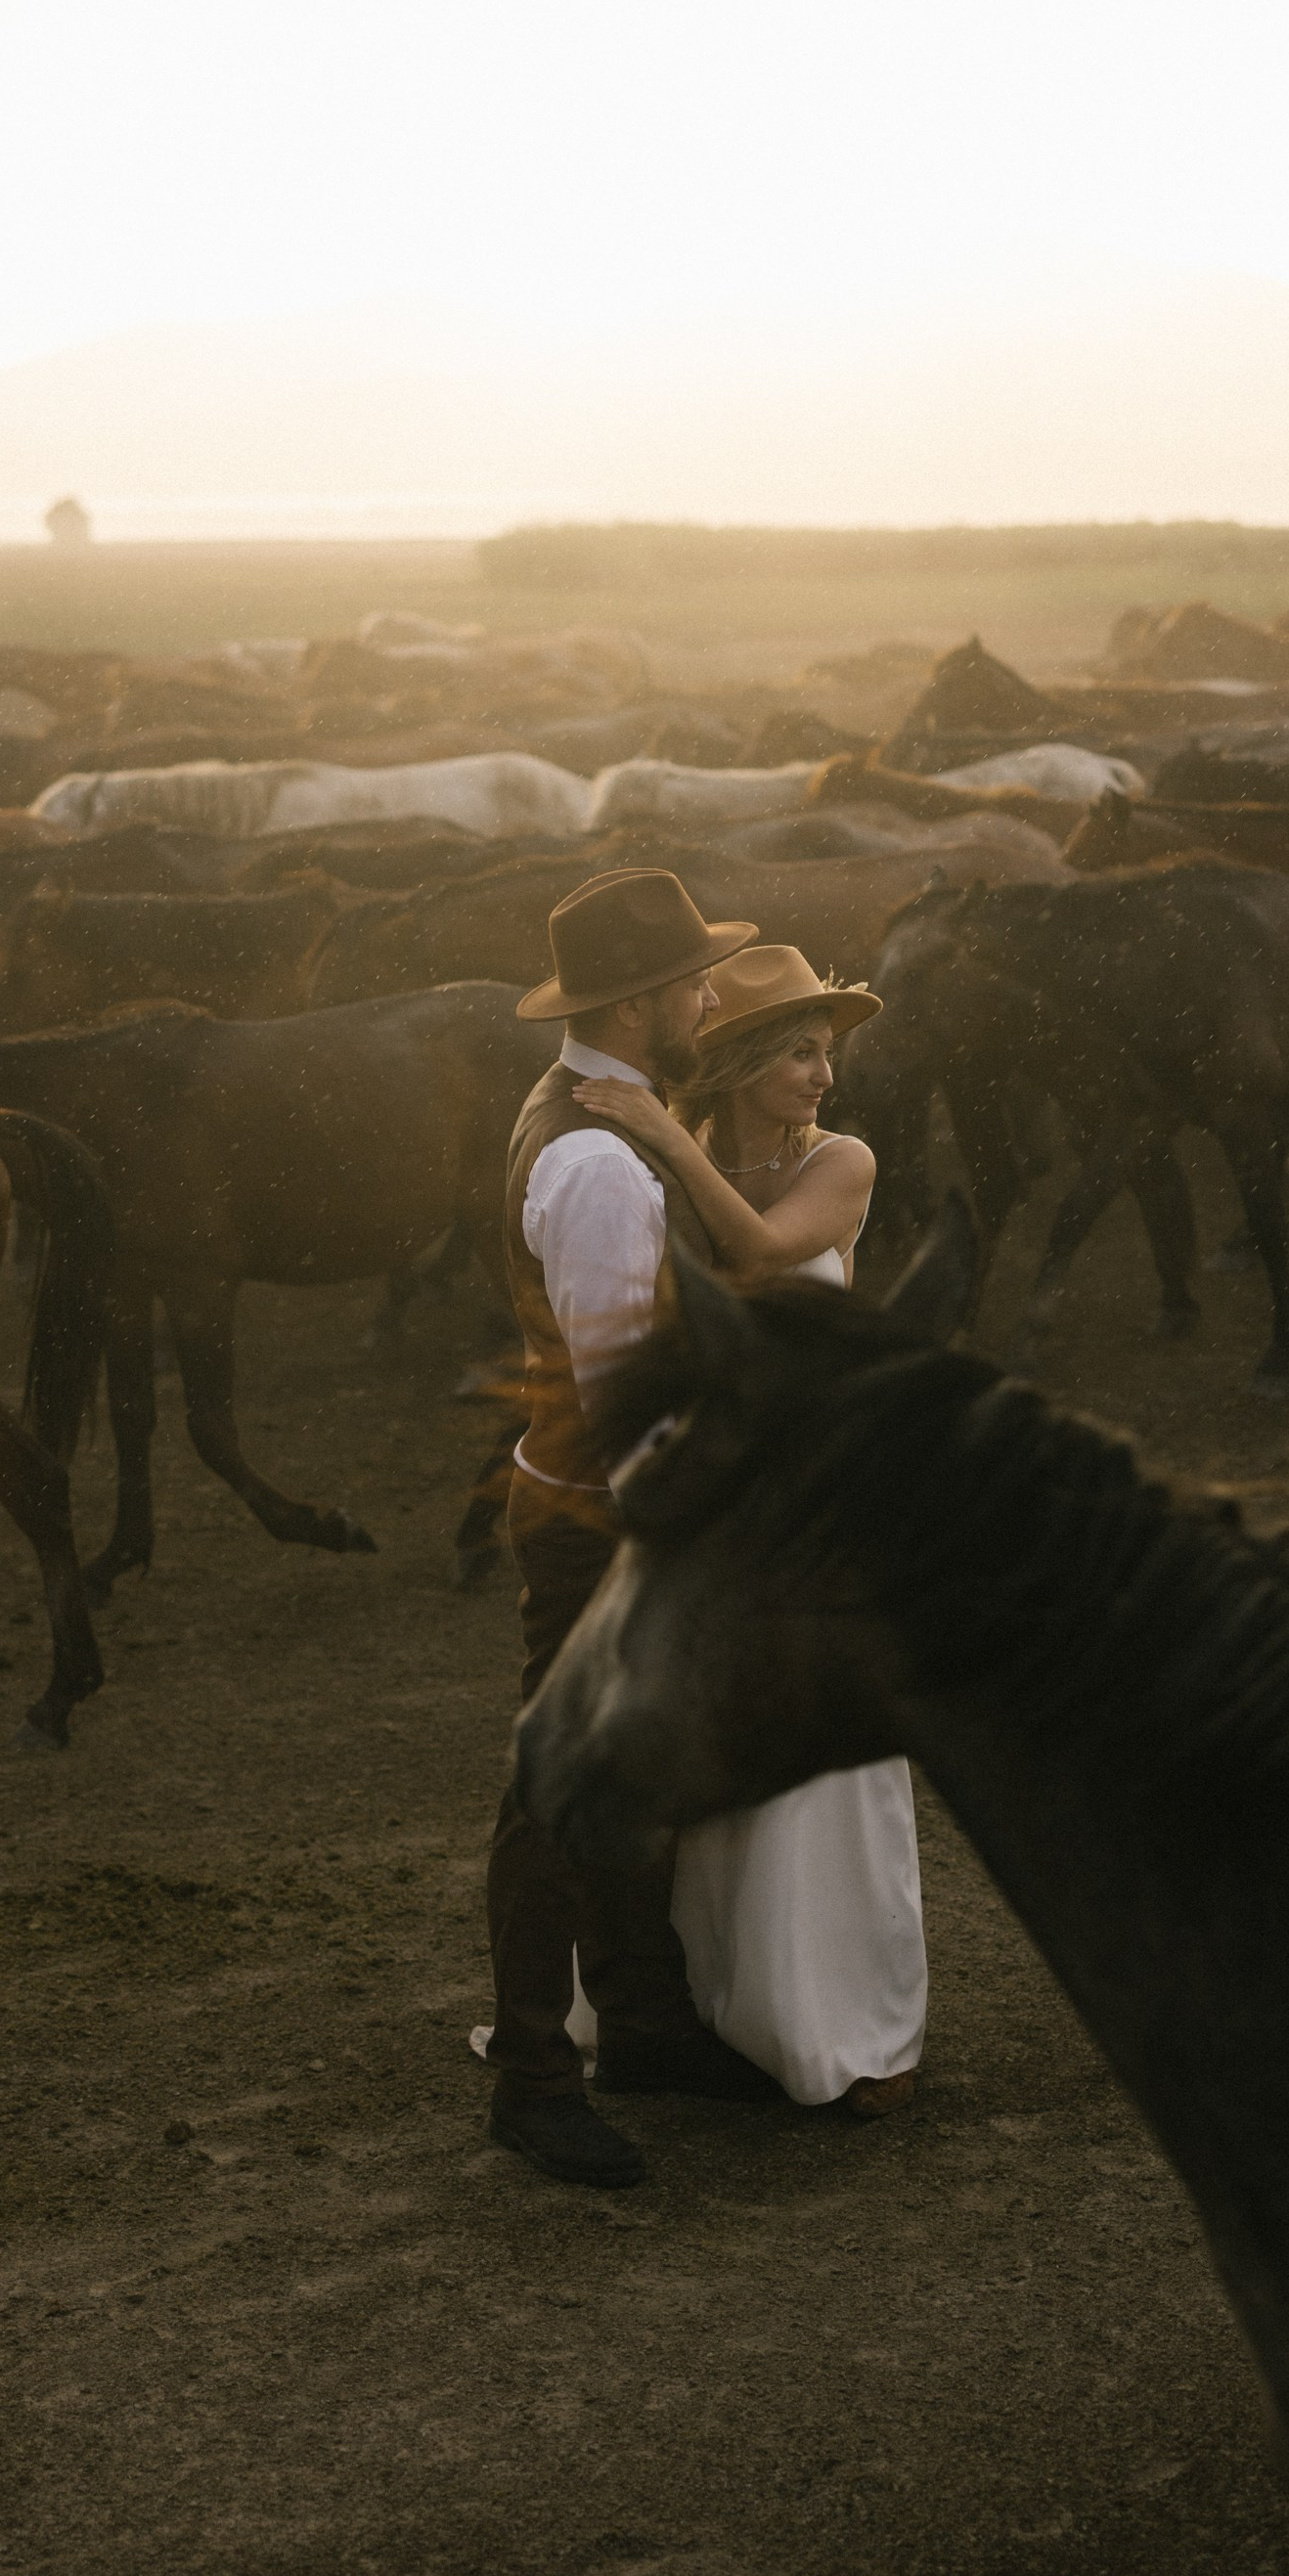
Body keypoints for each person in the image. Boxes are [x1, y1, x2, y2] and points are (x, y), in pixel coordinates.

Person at [570, 940, 928, 2117]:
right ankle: (726, 2009)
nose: (825, 1073)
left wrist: (668, 1137)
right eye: (800, 1053)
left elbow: (766, 1253)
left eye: (827, 1052)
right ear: (739, 1062)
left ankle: (850, 2024)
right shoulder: (671, 1160)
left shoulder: (841, 1160)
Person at [484, 866, 789, 2191]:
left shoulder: (585, 1114)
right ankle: (533, 2077)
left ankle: (644, 2021)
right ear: (635, 1004)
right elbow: (620, 1389)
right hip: (600, 1511)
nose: (711, 1000)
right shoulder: (599, 1161)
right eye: (693, 983)